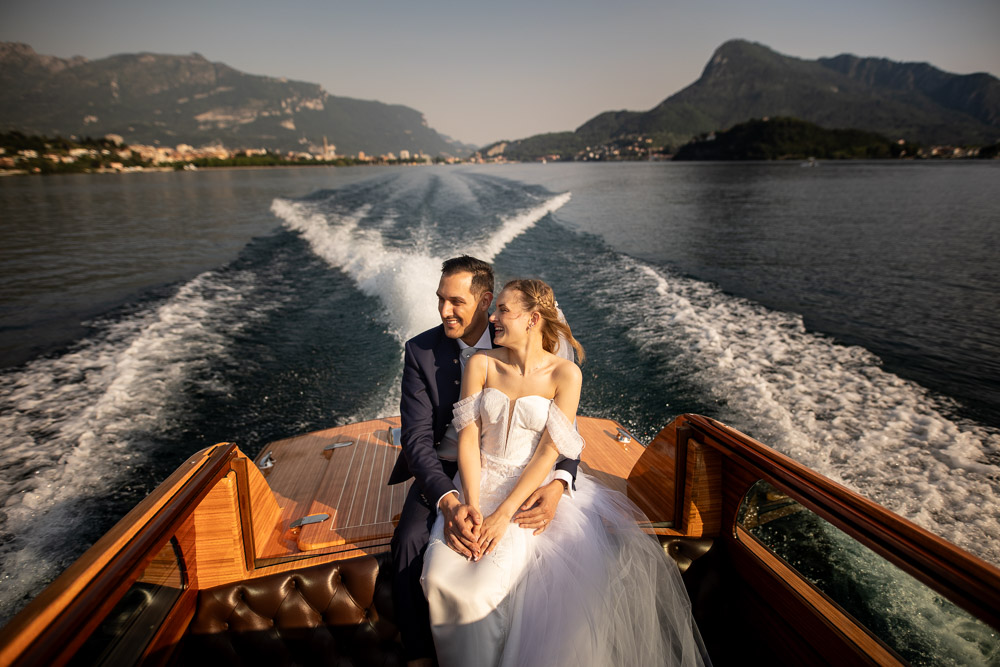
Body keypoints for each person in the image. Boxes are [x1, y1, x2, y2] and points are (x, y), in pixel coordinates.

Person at [420, 278, 709, 667]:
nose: (492, 317)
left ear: (532, 319)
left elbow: (547, 454)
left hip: (522, 497)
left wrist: (503, 516)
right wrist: (472, 506)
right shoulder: (480, 363)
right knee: (439, 580)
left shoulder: (566, 376)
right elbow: (468, 440)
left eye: (503, 310)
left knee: (480, 593)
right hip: (474, 483)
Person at [388, 257, 581, 666]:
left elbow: (561, 437)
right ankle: (420, 654)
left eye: (455, 301)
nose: (444, 311)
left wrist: (559, 482)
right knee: (407, 542)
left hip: (520, 478)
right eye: (440, 300)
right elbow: (417, 441)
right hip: (442, 468)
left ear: (485, 301)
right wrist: (454, 501)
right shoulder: (421, 351)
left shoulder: (528, 349)